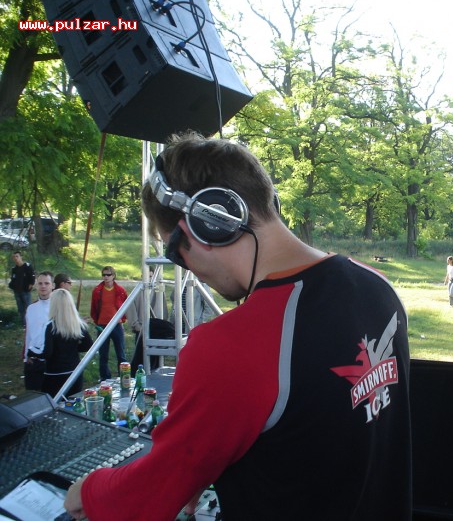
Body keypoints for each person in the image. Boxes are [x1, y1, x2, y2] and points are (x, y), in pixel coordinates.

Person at [65, 132, 412, 520]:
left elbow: (145, 498)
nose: (186, 267)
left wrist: (88, 490)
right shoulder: (379, 288)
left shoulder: (230, 346)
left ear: (206, 226)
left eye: (174, 251)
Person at [41, 288, 93, 398]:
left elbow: (48, 353)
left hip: (54, 373)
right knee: (73, 403)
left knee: (54, 405)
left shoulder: (51, 327)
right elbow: (88, 345)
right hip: (74, 372)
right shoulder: (78, 324)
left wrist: (33, 353)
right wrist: (72, 348)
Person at [126, 268, 172, 375]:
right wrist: (137, 326)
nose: (150, 279)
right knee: (141, 358)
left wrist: (162, 326)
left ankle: (155, 376)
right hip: (142, 330)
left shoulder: (159, 292)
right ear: (142, 276)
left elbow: (164, 310)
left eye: (151, 276)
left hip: (156, 331)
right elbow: (131, 310)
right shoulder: (137, 291)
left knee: (156, 359)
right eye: (147, 276)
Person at [90, 265, 128, 380]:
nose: (106, 277)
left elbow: (126, 306)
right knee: (103, 355)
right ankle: (104, 379)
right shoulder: (97, 291)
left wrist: (122, 319)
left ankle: (123, 377)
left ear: (113, 276)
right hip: (102, 325)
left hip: (116, 325)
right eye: (104, 275)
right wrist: (97, 321)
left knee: (121, 354)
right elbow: (93, 308)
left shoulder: (120, 290)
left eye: (108, 275)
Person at [23, 270, 53, 390]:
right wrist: (26, 356)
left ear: (52, 285)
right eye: (40, 283)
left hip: (51, 359)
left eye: (46, 283)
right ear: (36, 285)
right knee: (33, 394)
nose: (43, 286)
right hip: (34, 360)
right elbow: (29, 334)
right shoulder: (31, 309)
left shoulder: (58, 307)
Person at [9, 250, 35, 323]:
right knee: (20, 308)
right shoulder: (14, 269)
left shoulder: (27, 266)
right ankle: (23, 323)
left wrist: (30, 285)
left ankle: (31, 322)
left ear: (21, 257)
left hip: (25, 291)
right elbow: (13, 278)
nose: (15, 258)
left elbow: (32, 277)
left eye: (17, 256)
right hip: (17, 291)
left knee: (28, 307)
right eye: (14, 257)